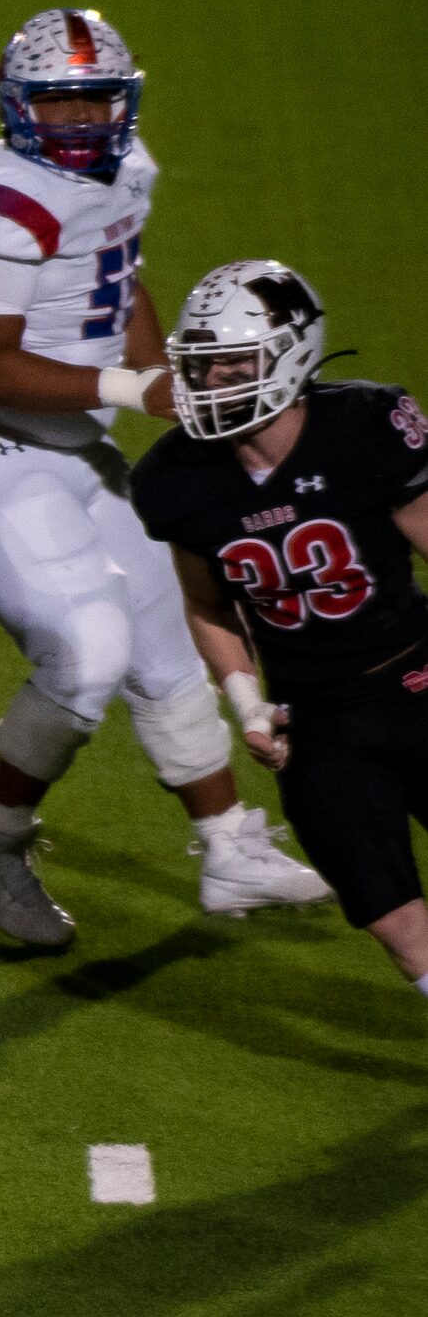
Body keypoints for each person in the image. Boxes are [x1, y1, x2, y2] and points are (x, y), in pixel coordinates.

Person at [0, 7, 326, 947]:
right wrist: (137, 389)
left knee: (165, 639)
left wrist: (172, 377)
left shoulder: (126, 169)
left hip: (68, 440)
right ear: (14, 104)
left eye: (97, 100)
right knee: (85, 652)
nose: (80, 121)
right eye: (58, 103)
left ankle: (227, 845)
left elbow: (117, 281)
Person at [132, 264, 428, 985]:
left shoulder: (364, 426)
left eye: (234, 362)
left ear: (293, 351)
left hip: (414, 679)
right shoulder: (173, 478)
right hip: (316, 720)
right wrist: (246, 703)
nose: (211, 382)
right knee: (390, 916)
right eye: (200, 366)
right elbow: (207, 605)